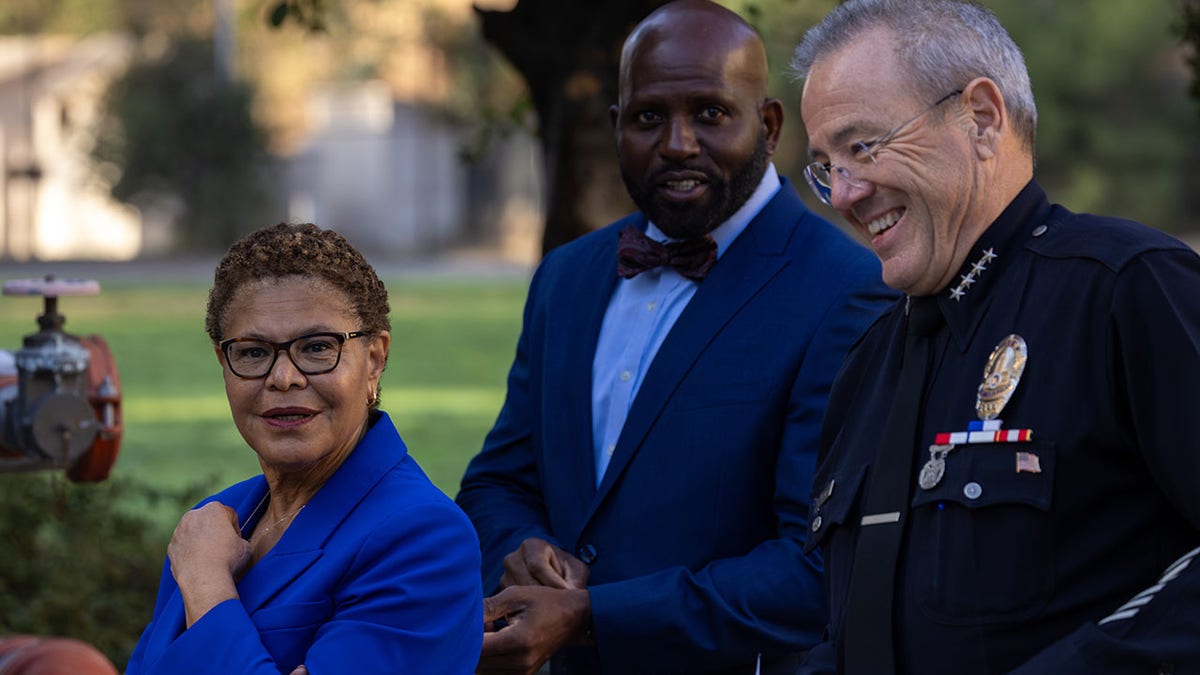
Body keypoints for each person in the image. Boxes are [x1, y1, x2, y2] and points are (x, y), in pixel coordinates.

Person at [455, 1, 897, 673]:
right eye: (648, 117)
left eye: (711, 113)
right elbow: (496, 482)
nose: (678, 143)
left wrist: (594, 615)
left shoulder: (844, 290)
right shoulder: (566, 279)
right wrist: (520, 544)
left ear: (770, 125)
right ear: (617, 126)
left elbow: (815, 568)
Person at [790, 0, 1200, 673]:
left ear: (980, 117)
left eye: (861, 147)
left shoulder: (1125, 288)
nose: (842, 194)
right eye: (827, 166)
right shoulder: (864, 368)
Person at [125, 223, 483, 674]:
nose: (284, 377)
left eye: (316, 348)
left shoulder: (425, 537)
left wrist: (207, 588)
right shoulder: (214, 521)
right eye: (254, 353)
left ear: (374, 360)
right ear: (224, 364)